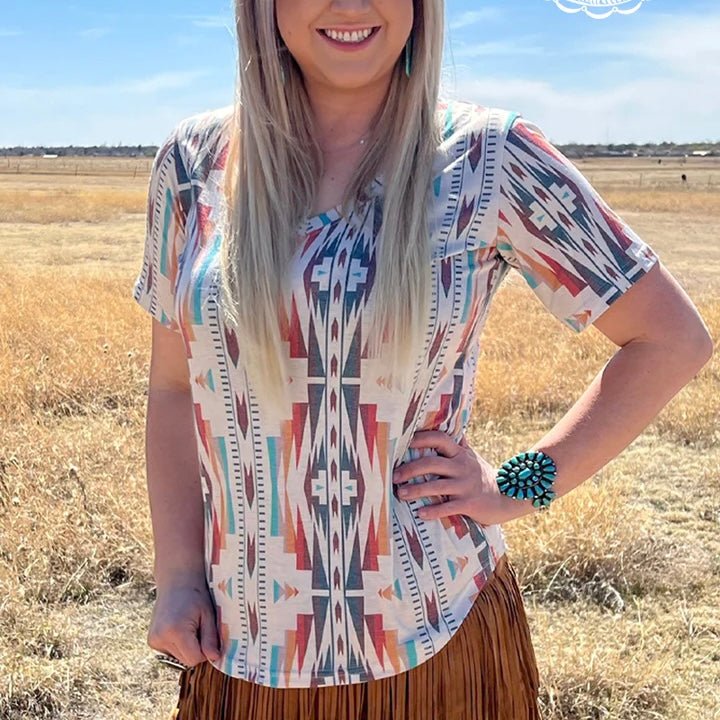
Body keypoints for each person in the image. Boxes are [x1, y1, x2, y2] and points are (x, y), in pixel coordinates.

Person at [131, 1, 714, 719]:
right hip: (241, 648)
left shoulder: (492, 156)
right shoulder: (192, 162)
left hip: (436, 640)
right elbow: (174, 388)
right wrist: (179, 574)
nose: (350, 5)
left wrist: (519, 484)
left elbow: (670, 339)